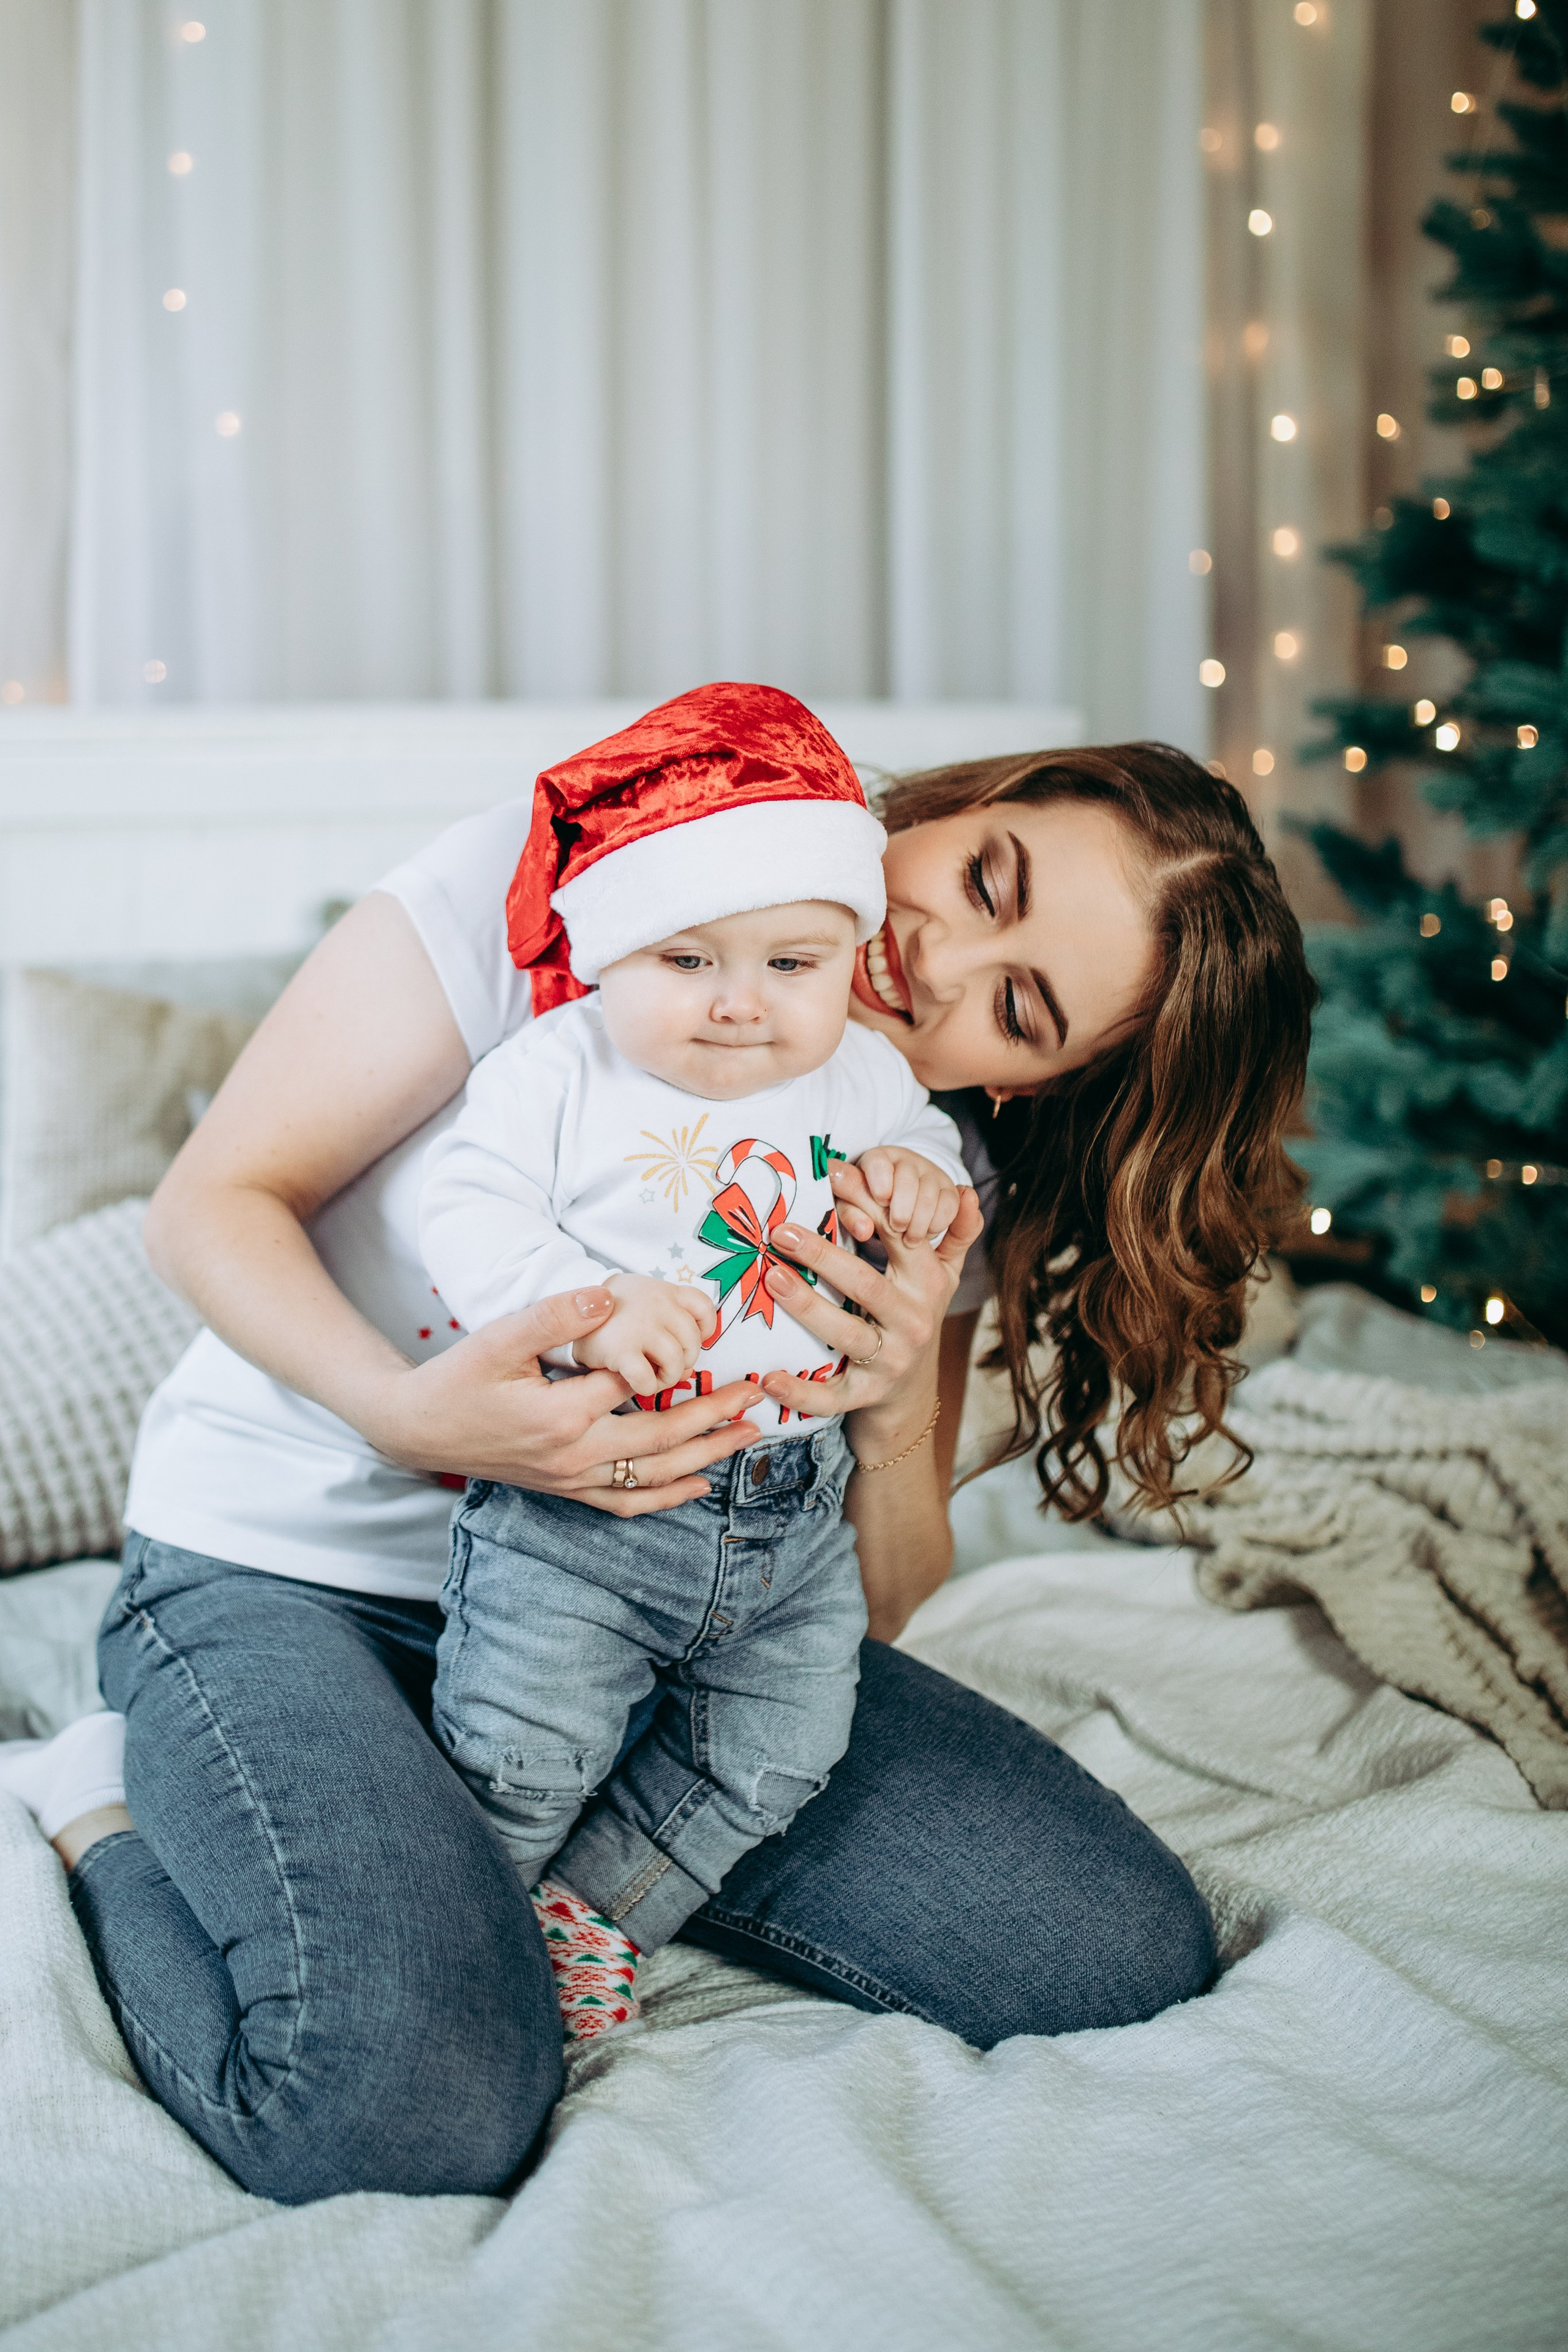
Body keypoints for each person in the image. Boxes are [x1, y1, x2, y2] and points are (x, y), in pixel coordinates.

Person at [0, 703, 1313, 2207]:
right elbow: (214, 1200)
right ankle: (100, 1806)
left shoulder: (920, 1160)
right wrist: (404, 1411)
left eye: (1017, 1009)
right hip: (291, 1574)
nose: (933, 958)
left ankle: (567, 1881)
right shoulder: (576, 877)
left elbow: (869, 1609)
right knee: (401, 2111)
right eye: (982, 879)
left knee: (1108, 1951)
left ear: (1027, 1083)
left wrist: (887, 1416)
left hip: (659, 1632)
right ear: (955, 803)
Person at [416, 687, 969, 2034]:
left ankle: (590, 1914)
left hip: (793, 1521)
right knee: (518, 1755)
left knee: (776, 1757)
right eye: (685, 963)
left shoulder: (865, 1077)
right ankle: (456, 1960)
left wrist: (914, 1176)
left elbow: (938, 1172)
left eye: (791, 964)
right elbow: (466, 1208)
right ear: (609, 958)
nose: (739, 1007)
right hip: (586, 1519)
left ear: (849, 956)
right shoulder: (558, 1070)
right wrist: (585, 1302)